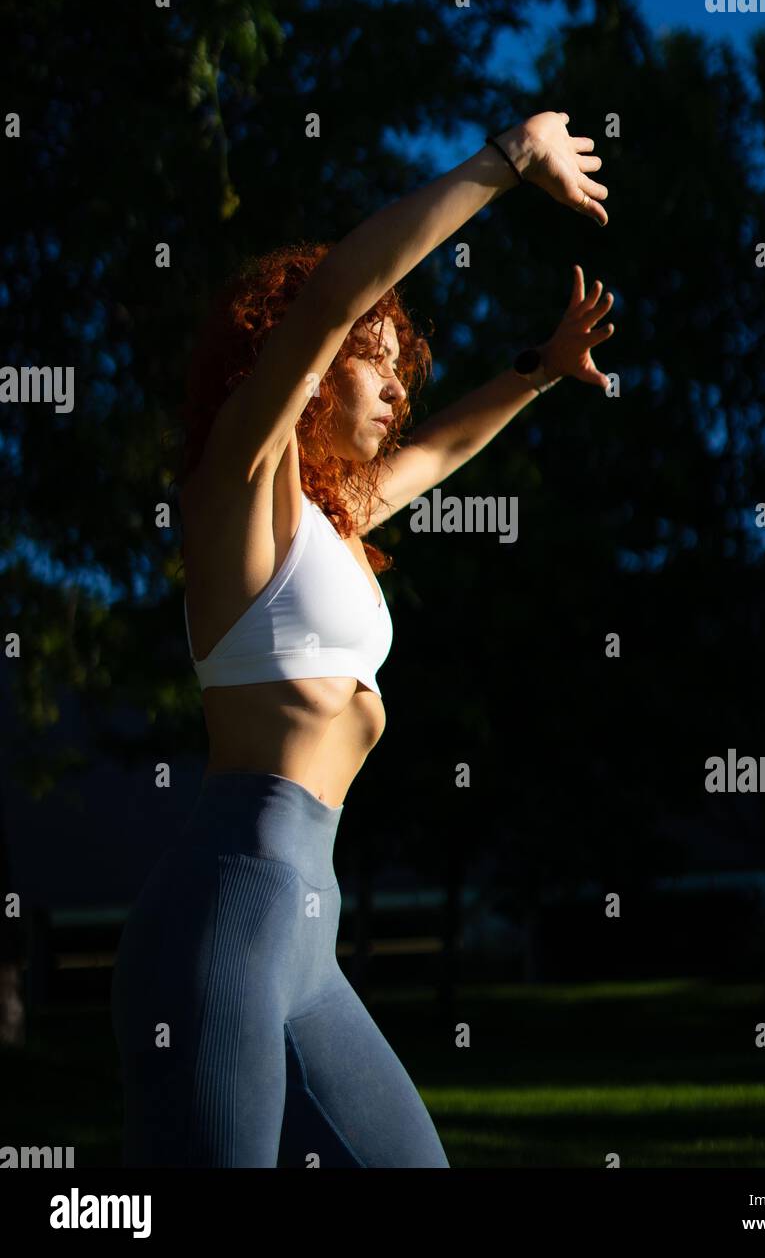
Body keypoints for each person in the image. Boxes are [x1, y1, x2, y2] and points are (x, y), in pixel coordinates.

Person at [110, 110, 612, 1168]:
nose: (395, 386)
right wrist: (507, 162)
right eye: (372, 362)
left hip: (306, 942)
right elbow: (336, 291)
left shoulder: (331, 528)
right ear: (305, 363)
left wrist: (536, 367)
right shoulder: (238, 490)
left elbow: (436, 452)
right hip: (222, 921)